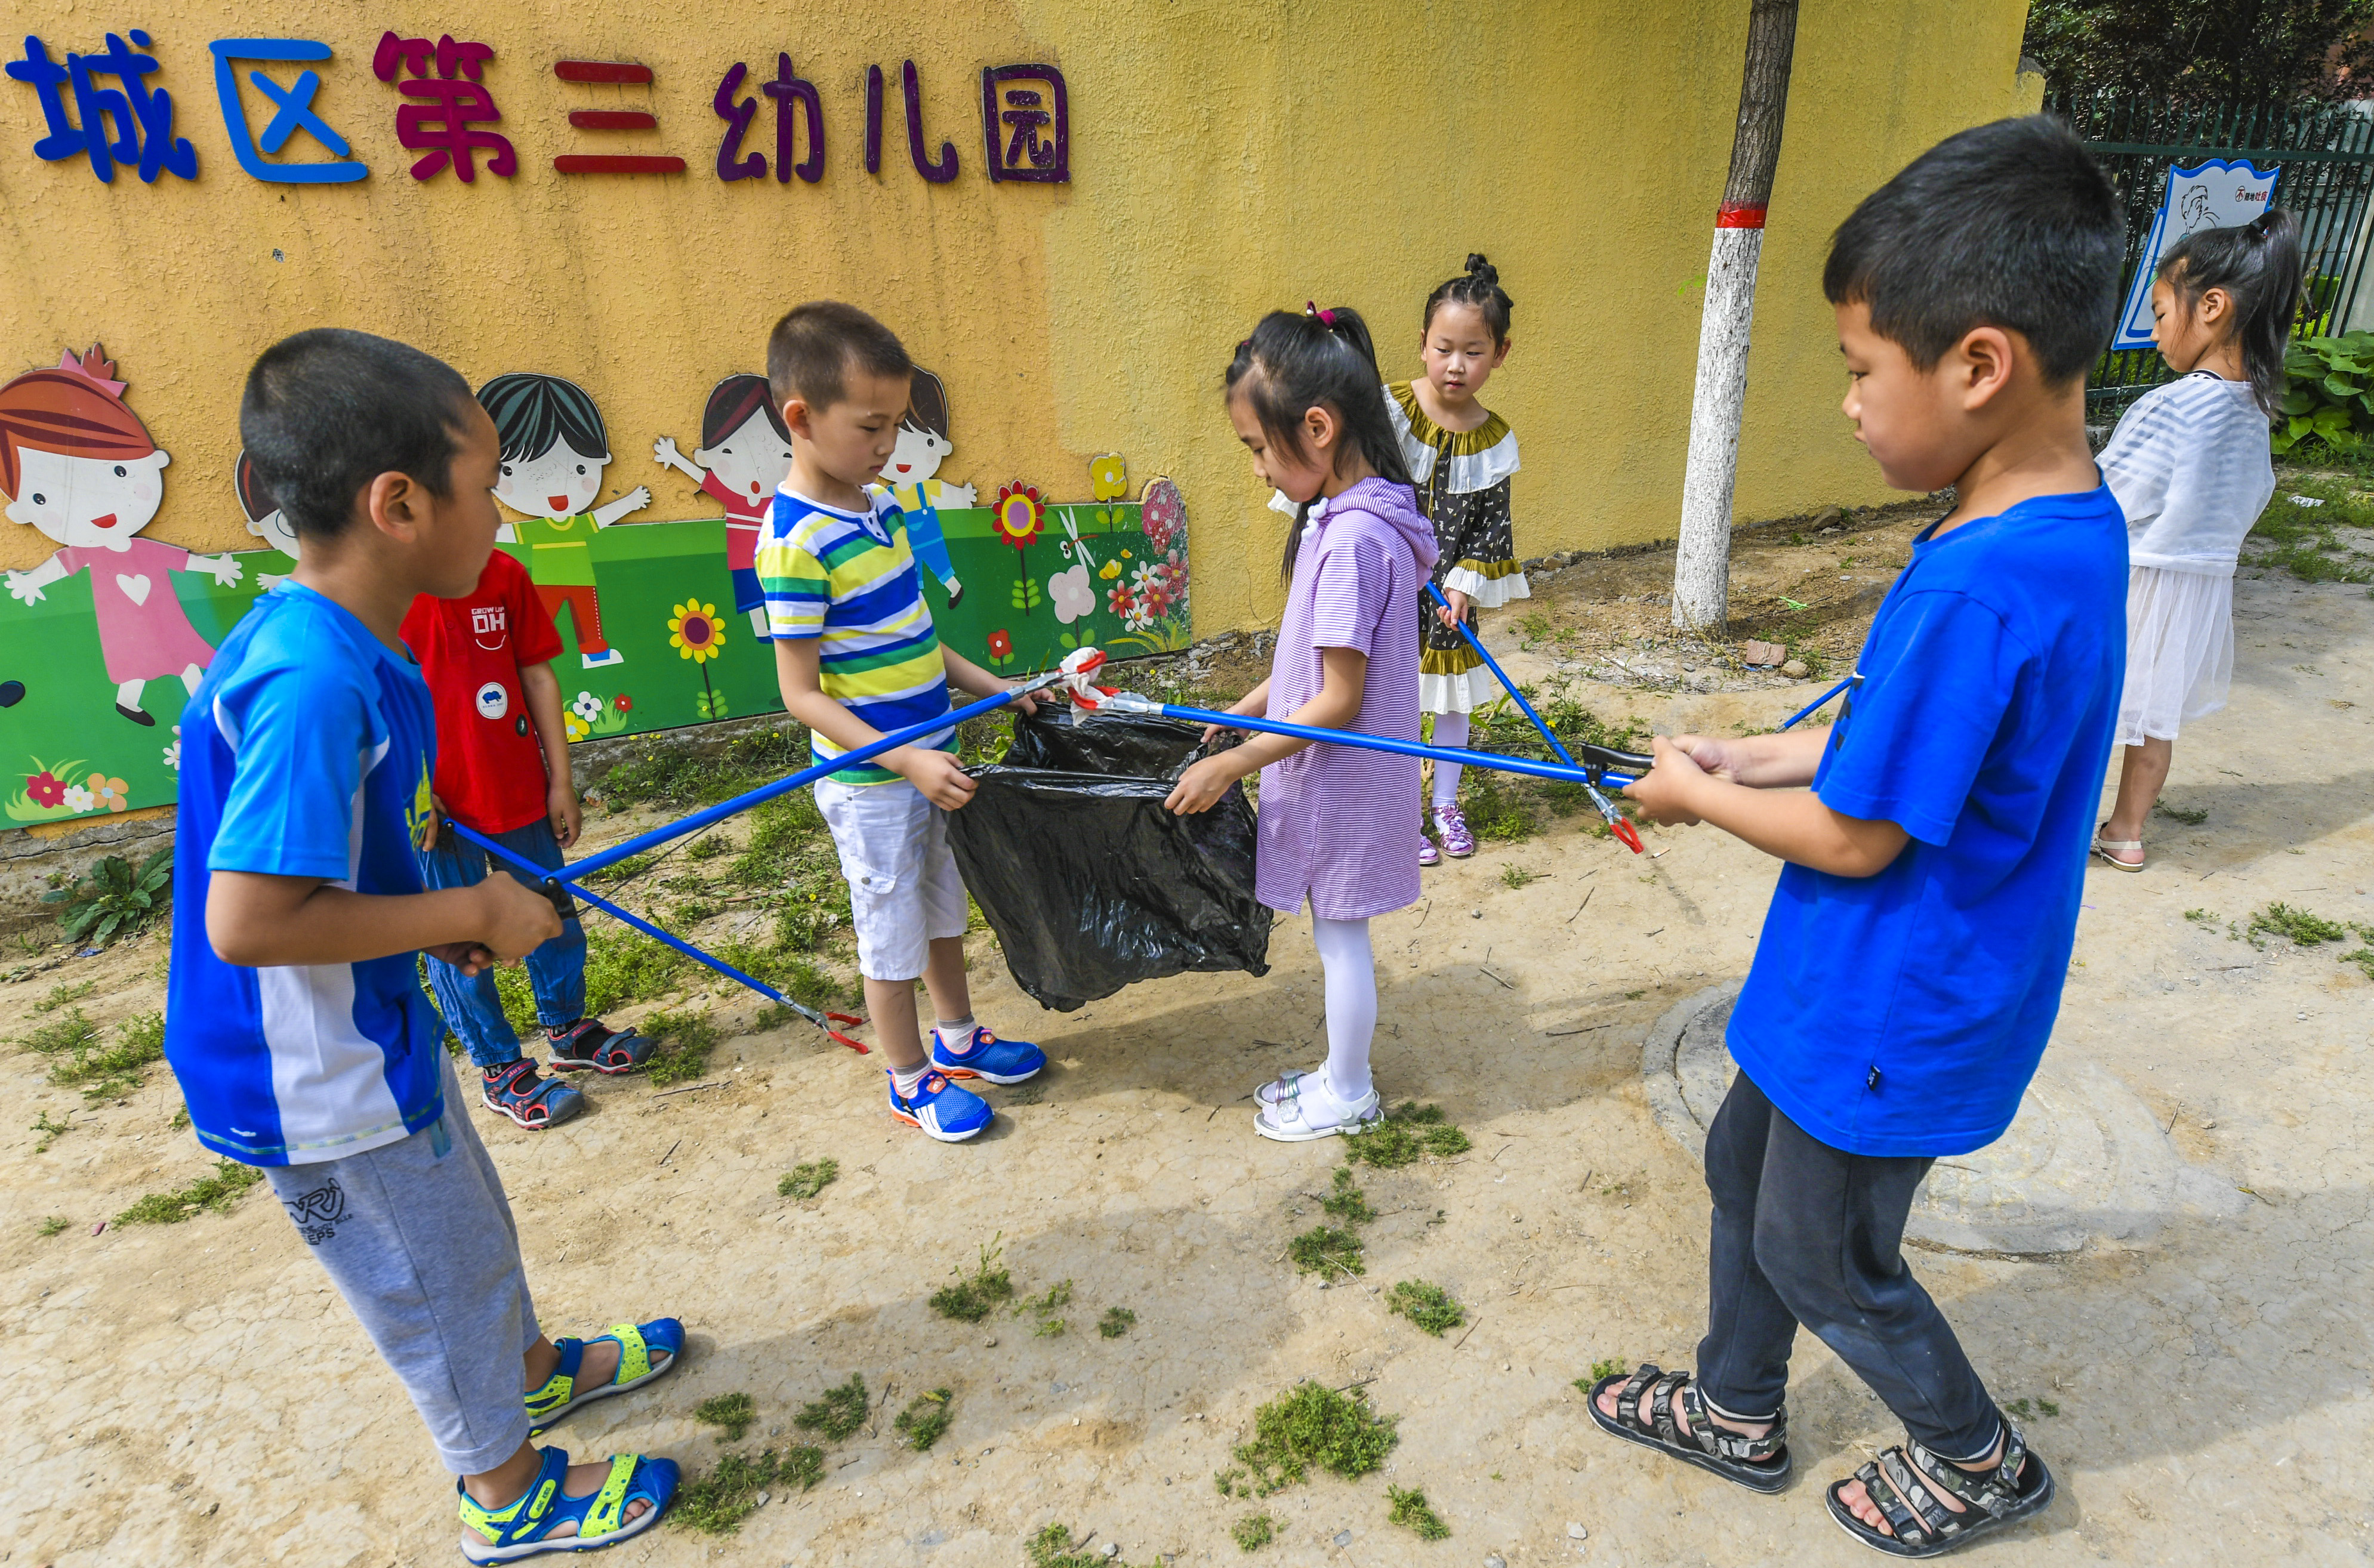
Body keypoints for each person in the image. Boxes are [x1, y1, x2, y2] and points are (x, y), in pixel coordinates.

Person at [1590, 116, 2126, 1555]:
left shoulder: (1979, 586)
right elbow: (1921, 750)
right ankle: (1734, 1402)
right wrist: (1761, 746)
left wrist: (1697, 795)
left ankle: (1976, 1457)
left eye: (1856, 370)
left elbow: (1857, 841)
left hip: (1899, 990)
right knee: (1740, 1171)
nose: (1846, 405)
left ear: (1978, 364)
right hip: (1855, 983)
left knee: (1820, 1245)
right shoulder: (2053, 528)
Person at [169, 328, 679, 1560]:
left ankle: (533, 1368)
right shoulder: (313, 680)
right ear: (400, 502)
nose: (503, 512)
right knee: (426, 1271)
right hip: (316, 1079)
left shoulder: (361, 645)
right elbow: (247, 921)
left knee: (467, 1220)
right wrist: (466, 913)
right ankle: (506, 1495)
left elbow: (348, 850)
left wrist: (434, 919)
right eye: (490, 481)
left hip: (371, 1026)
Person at [757, 301, 1046, 1143]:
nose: (887, 446)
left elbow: (918, 639)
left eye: (897, 425)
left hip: (932, 763)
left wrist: (997, 687)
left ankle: (957, 1040)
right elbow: (801, 695)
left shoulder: (875, 507)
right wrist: (907, 760)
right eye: (871, 426)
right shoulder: (794, 543)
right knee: (890, 928)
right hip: (872, 782)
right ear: (801, 419)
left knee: (942, 908)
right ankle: (908, 1077)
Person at [1168, 305, 1437, 1141]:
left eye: (1256, 447)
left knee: (1341, 941)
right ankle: (1337, 1074)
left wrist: (1231, 764)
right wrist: (1241, 711)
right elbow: (1305, 671)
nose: (1254, 470)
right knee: (1337, 936)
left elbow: (1336, 702)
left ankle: (1349, 1090)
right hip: (1338, 772)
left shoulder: (1353, 539)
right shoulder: (1351, 517)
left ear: (1316, 428)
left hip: (1340, 780)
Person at [403, 545, 654, 1131]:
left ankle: (568, 1028)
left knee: (553, 916)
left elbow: (537, 673)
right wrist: (412, 790)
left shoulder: (504, 573)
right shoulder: (384, 588)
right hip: (439, 815)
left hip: (519, 790)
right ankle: (498, 1066)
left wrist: (560, 780)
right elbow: (373, 701)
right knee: (460, 944)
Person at [2092, 209, 2302, 871]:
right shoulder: (2256, 411)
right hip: (2199, 590)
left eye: (2158, 314)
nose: (2153, 334)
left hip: (2137, 581)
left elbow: (2111, 498)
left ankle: (2041, 827)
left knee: (2086, 708)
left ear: (2211, 307)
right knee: (2155, 720)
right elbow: (2255, 494)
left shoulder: (2173, 405)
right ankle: (2127, 831)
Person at [1394, 255, 1524, 865]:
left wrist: (1465, 587)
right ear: (1423, 345)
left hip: (1447, 598)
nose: (1456, 365)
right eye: (1444, 348)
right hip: (1385, 587)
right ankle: (1397, 808)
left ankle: (1445, 800)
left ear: (1499, 354)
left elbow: (1491, 524)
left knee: (1449, 701)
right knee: (1386, 699)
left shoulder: (1494, 440)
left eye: (1474, 351)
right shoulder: (1390, 411)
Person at [477, 371, 652, 669]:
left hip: (583, 581)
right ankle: (530, 653)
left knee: (589, 619)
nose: (557, 489)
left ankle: (595, 653)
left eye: (579, 468)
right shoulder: (540, 529)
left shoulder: (576, 524)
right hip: (547, 582)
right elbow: (506, 534)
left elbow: (600, 517)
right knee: (541, 619)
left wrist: (630, 503)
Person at [652, 372, 797, 639]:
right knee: (752, 597)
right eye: (729, 451)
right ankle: (762, 631)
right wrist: (674, 457)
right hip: (742, 559)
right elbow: (704, 478)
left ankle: (783, 624)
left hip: (778, 555)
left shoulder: (779, 496)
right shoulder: (735, 497)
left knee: (780, 587)